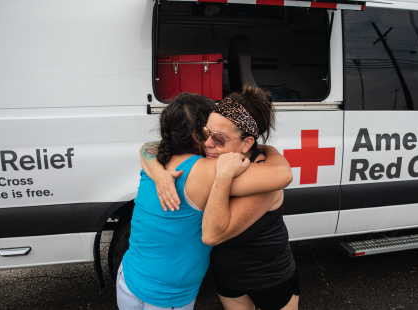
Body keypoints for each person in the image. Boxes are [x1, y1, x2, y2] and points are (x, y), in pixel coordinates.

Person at [117, 92, 292, 310]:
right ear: (195, 135)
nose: (209, 142)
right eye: (206, 133)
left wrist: (156, 170)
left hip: (129, 278)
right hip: (166, 296)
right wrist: (265, 152)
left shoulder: (162, 157)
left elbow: (148, 146)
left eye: (217, 138)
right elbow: (282, 175)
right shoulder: (208, 169)